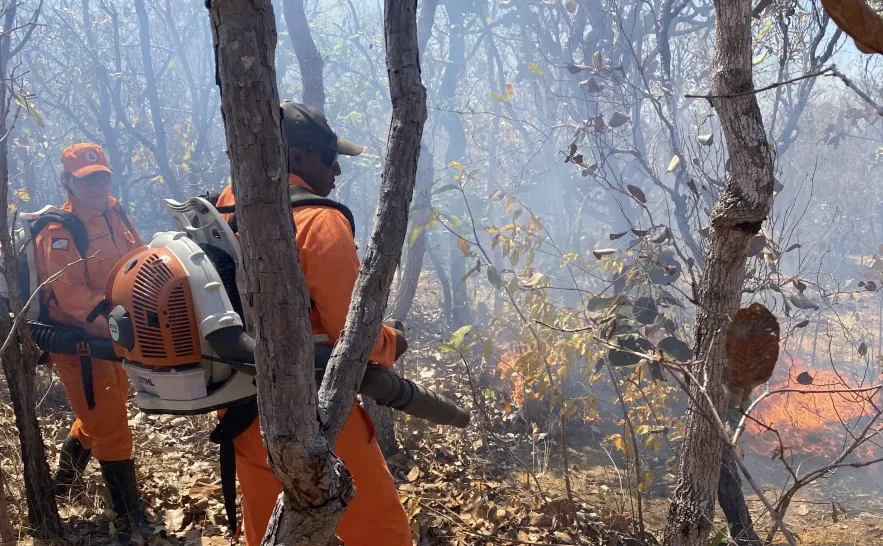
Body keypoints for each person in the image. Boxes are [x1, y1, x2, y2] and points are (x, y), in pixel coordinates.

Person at [215, 102, 412, 545]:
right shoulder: (319, 222)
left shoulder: (229, 203)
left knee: (272, 534)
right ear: (299, 157)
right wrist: (391, 343)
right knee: (383, 534)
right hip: (318, 417)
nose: (337, 171)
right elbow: (353, 335)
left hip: (246, 411)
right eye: (329, 157)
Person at [40, 143, 149, 532]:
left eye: (101, 176)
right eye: (86, 179)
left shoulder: (115, 212)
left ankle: (61, 484)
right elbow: (72, 299)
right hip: (84, 343)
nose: (96, 185)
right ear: (68, 181)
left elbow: (139, 261)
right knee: (111, 423)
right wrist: (122, 325)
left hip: (115, 337)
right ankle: (130, 518)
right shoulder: (60, 231)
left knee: (102, 413)